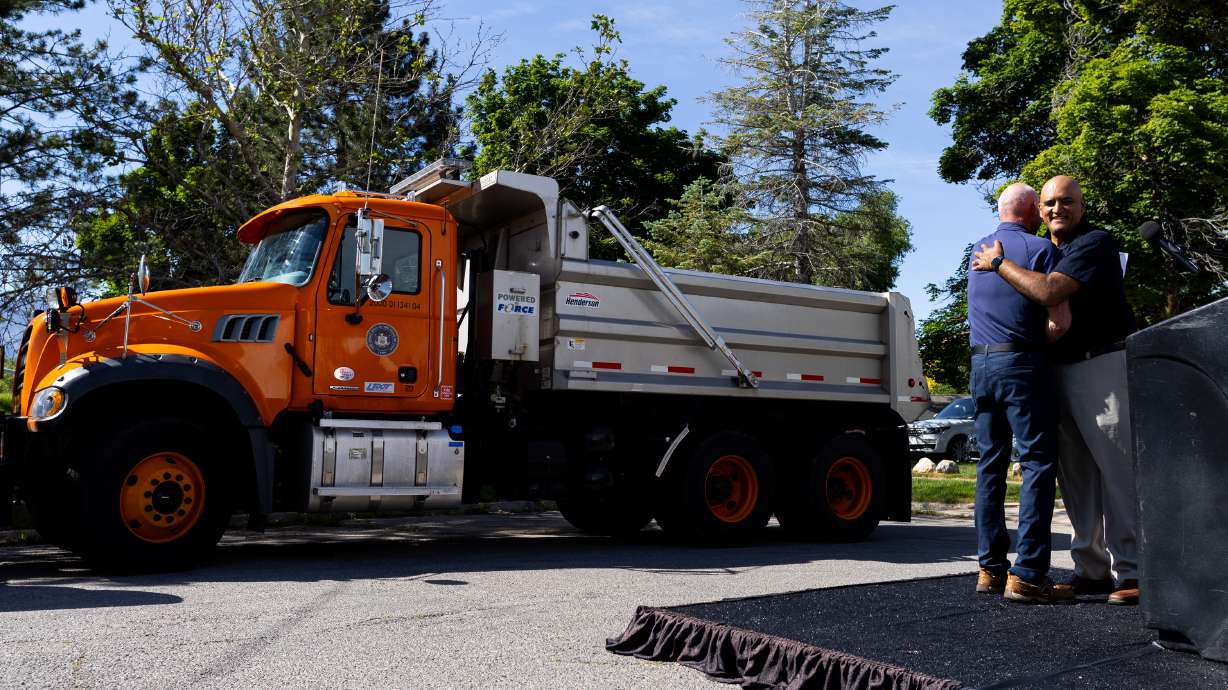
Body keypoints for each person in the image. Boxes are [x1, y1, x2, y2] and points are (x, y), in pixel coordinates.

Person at [972, 175, 1139, 606]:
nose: (1055, 209)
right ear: (1035, 210)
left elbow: (1049, 292)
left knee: (1117, 470)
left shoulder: (1094, 243)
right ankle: (1090, 569)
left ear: (1082, 205)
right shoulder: (1046, 251)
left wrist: (997, 264)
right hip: (1057, 370)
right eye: (1048, 203)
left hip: (1101, 364)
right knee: (1075, 475)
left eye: (1066, 201)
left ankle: (1134, 570)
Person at [967, 182, 1072, 604]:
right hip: (1021, 364)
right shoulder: (1039, 250)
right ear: (1031, 210)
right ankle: (1028, 574)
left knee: (989, 465)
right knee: (1037, 464)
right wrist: (1034, 341)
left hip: (980, 365)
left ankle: (990, 569)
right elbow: (1060, 322)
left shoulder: (977, 248)